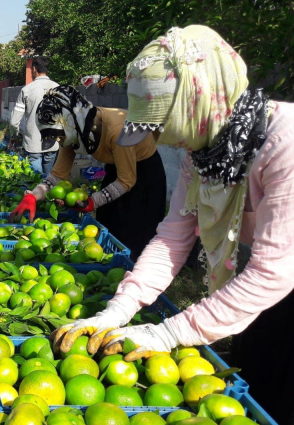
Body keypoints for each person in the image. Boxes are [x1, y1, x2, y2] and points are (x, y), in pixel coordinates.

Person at [51, 25, 294, 424]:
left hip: (280, 278)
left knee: (280, 393)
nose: (162, 140)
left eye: (164, 125)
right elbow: (174, 236)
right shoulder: (203, 150)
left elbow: (273, 272)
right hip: (265, 282)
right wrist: (120, 308)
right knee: (252, 378)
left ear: (197, 100)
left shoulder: (284, 144)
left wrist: (167, 333)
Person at [10, 85, 166, 260]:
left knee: (136, 234)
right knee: (109, 223)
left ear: (70, 121)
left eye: (59, 136)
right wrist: (33, 196)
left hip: (144, 172)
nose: (59, 141)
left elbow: (126, 181)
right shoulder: (75, 130)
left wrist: (93, 201)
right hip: (116, 171)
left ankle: (136, 274)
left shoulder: (117, 129)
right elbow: (56, 175)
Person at [9, 56, 59, 174]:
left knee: (35, 180)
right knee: (49, 181)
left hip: (33, 143)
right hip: (52, 143)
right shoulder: (58, 88)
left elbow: (13, 122)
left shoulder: (26, 90)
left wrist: (14, 136)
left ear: (34, 69)